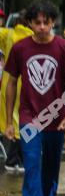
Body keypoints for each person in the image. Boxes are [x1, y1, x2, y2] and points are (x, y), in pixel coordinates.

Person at [3, 1, 65, 196]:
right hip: (29, 117)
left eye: (46, 22)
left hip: (56, 118)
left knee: (50, 165)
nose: (41, 27)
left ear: (53, 22)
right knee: (31, 163)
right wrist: (9, 121)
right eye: (36, 22)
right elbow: (11, 83)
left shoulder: (63, 48)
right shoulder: (20, 48)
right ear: (29, 23)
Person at [0, 13, 34, 172]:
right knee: (24, 122)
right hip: (28, 84)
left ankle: (15, 159)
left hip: (9, 83)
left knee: (13, 121)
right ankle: (15, 160)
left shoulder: (8, 34)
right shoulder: (35, 36)